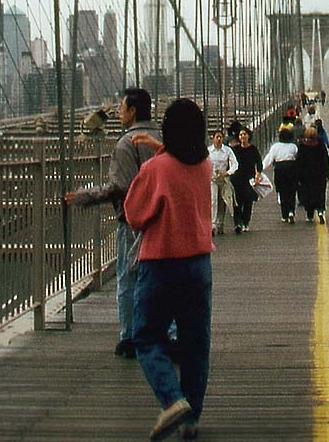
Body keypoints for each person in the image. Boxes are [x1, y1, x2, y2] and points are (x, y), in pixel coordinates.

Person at [124, 98, 214, 441]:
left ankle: (172, 399)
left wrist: (155, 153)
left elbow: (135, 214)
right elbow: (185, 159)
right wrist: (160, 147)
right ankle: (191, 418)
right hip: (199, 265)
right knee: (195, 342)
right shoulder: (204, 164)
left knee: (146, 337)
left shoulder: (155, 170)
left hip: (161, 263)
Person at [65, 88, 161, 359]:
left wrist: (84, 196)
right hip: (163, 219)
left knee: (129, 278)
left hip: (133, 221)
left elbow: (120, 187)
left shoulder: (125, 143)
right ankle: (169, 334)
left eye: (121, 107)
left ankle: (129, 337)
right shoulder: (161, 138)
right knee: (161, 277)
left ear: (132, 111)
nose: (118, 112)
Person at [260, 126, 300, 223]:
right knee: (291, 191)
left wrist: (260, 169)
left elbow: (269, 158)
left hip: (280, 169)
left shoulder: (275, 147)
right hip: (291, 168)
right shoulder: (293, 146)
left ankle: (284, 215)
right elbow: (298, 158)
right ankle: (291, 211)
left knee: (282, 191)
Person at [229, 128, 262, 233]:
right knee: (237, 201)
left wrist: (258, 174)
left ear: (249, 136)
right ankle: (237, 223)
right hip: (237, 178)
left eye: (244, 134)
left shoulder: (253, 149)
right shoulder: (235, 149)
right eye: (241, 134)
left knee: (248, 200)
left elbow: (259, 163)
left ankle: (246, 222)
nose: (242, 136)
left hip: (249, 178)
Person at [296, 126, 329, 224]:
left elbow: (298, 162)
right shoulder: (320, 146)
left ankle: (310, 215)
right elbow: (326, 160)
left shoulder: (302, 147)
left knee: (308, 194)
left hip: (306, 176)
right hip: (319, 174)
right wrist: (327, 173)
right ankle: (320, 211)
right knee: (320, 193)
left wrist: (298, 176)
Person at [207, 129, 236, 235]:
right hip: (212, 179)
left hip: (223, 179)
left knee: (222, 201)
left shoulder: (227, 150)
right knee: (213, 200)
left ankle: (220, 223)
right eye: (217, 137)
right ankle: (213, 224)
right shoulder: (208, 151)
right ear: (213, 139)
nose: (219, 139)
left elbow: (234, 163)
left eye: (220, 137)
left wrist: (228, 172)